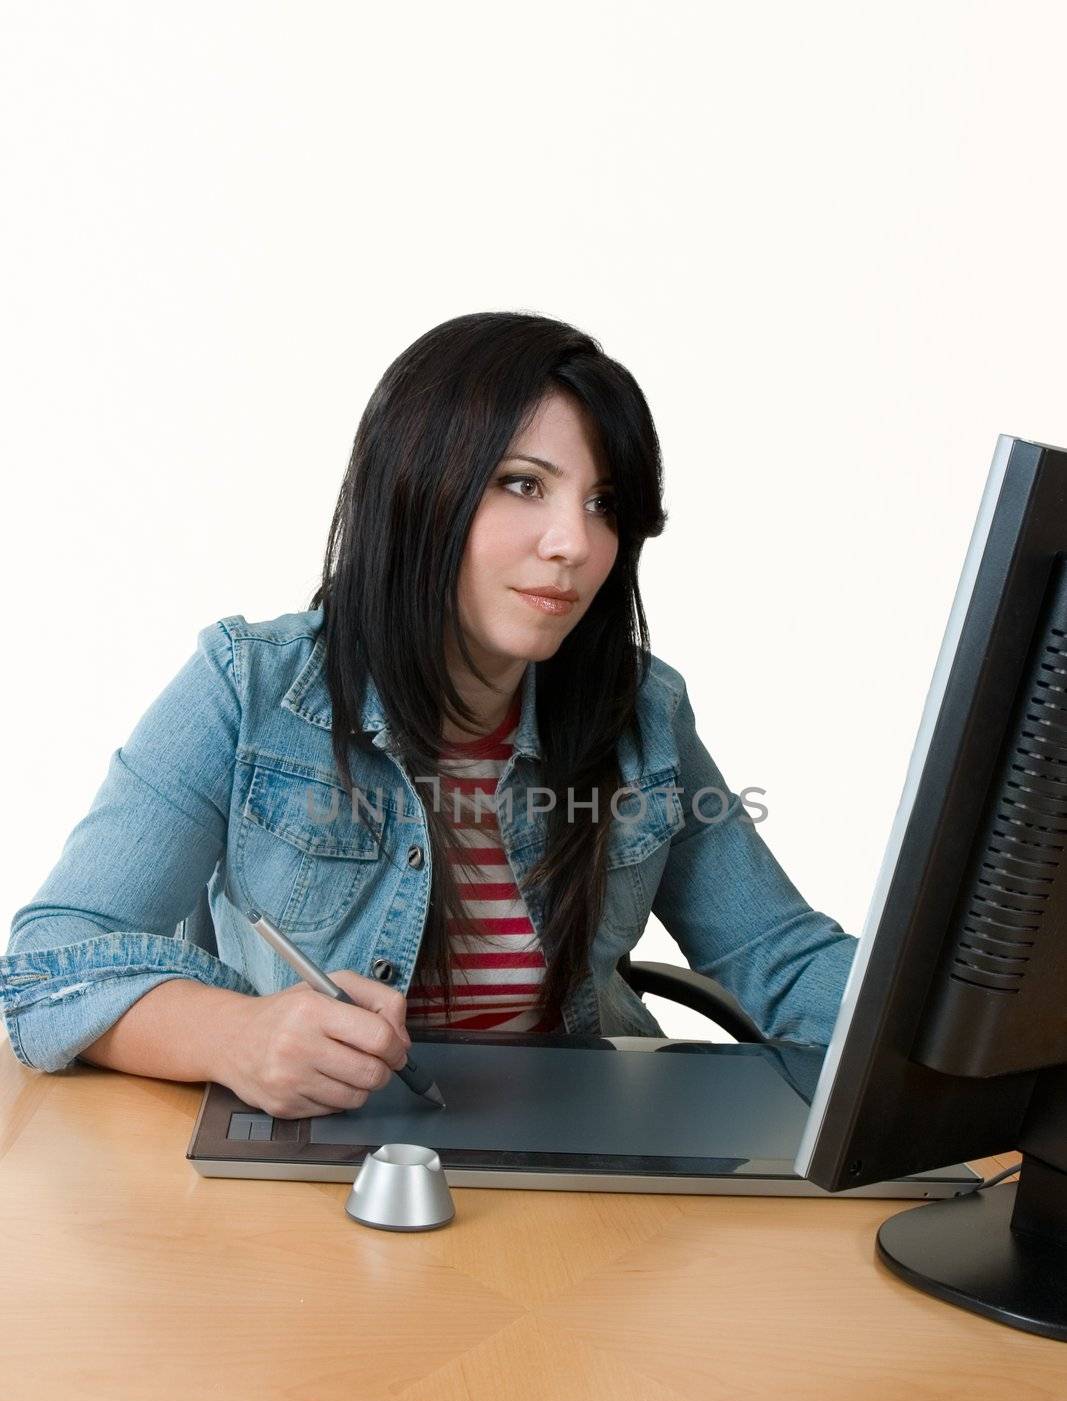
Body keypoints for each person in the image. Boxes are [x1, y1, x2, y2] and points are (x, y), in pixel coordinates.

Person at [0, 310, 859, 1116]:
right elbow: (48, 966)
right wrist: (237, 1036)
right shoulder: (248, 686)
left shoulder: (640, 709)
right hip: (311, 1160)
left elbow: (775, 957)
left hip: (574, 1156)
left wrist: (959, 1036)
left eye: (603, 504)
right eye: (523, 485)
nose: (575, 544)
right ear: (415, 490)